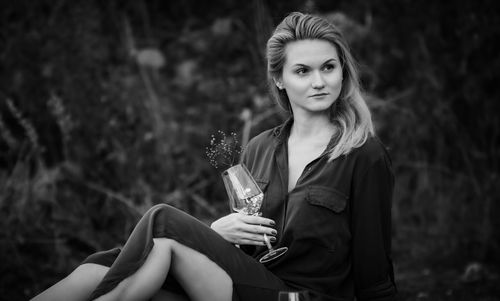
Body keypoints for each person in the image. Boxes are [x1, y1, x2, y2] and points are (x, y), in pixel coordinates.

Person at [31, 12, 396, 301]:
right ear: (280, 80)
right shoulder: (261, 147)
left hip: (300, 297)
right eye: (303, 70)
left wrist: (202, 235)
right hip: (249, 283)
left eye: (328, 67)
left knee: (161, 223)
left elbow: (374, 271)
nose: (319, 81)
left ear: (342, 71)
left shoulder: (364, 155)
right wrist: (220, 234)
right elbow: (249, 248)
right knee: (104, 266)